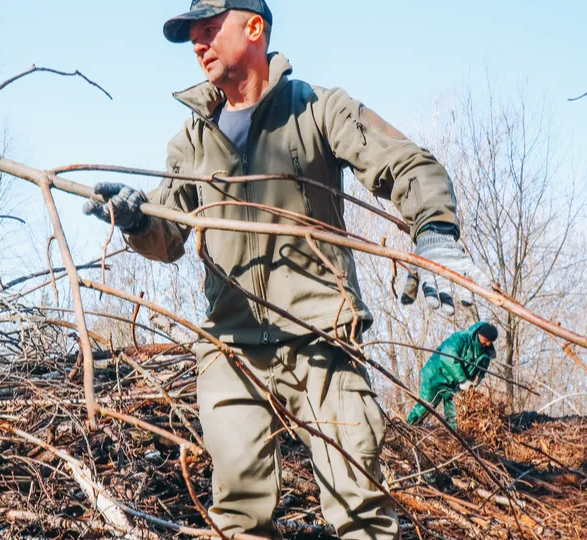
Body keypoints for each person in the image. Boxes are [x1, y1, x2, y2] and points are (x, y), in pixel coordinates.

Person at [82, 1, 490, 538]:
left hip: (323, 339)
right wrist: (134, 222)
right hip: (230, 348)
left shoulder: (318, 110)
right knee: (239, 520)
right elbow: (168, 238)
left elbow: (407, 163)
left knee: (361, 509)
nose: (197, 44)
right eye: (191, 36)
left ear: (254, 27)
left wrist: (434, 231)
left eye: (208, 29)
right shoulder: (192, 139)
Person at [408, 322, 498, 428]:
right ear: (480, 334)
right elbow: (448, 358)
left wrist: (472, 384)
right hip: (435, 376)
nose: (488, 344)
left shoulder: (485, 356)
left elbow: (480, 373)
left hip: (454, 386)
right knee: (425, 407)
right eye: (487, 340)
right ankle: (409, 428)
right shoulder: (461, 338)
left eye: (491, 342)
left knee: (454, 416)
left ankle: (452, 439)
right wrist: (463, 380)